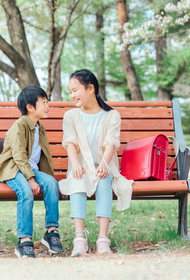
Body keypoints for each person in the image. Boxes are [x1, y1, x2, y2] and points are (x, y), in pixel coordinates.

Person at [59, 69, 133, 256]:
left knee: (104, 180)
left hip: (104, 166)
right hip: (81, 166)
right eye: (70, 92)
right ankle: (79, 239)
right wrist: (75, 165)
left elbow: (111, 143)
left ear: (90, 88)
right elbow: (69, 143)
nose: (72, 95)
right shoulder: (71, 116)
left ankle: (102, 239)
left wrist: (104, 165)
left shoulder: (111, 115)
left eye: (75, 90)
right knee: (77, 180)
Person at [0, 86, 63, 258]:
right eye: (44, 103)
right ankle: (24, 241)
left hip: (30, 169)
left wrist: (43, 178)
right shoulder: (20, 125)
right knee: (26, 192)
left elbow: (43, 156)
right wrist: (31, 179)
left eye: (48, 102)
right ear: (30, 107)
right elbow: (18, 156)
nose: (48, 106)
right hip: (13, 169)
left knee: (52, 184)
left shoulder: (40, 127)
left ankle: (51, 232)